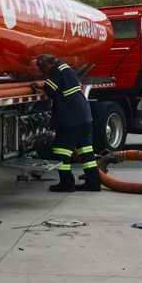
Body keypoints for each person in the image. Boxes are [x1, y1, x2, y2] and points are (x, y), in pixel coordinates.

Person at [32, 54, 101, 192]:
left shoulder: (56, 72)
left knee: (60, 149)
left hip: (72, 119)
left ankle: (67, 183)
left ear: (46, 64)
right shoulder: (66, 68)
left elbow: (49, 91)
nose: (43, 72)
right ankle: (93, 182)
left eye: (42, 69)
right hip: (84, 116)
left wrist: (37, 86)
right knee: (86, 152)